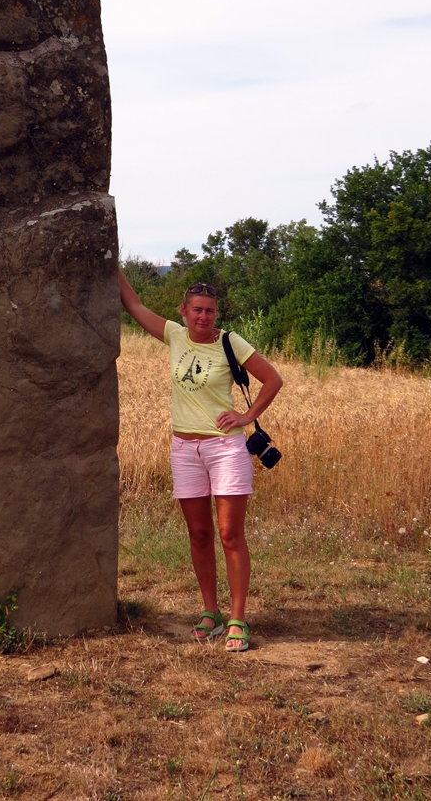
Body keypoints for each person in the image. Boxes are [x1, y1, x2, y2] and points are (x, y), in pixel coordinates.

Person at [118, 274, 283, 652]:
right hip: (184, 450)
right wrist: (115, 267)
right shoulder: (174, 335)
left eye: (209, 311)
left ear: (215, 313)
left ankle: (237, 619)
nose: (203, 317)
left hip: (225, 449)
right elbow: (136, 306)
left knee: (229, 535)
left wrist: (247, 415)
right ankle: (210, 613)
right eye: (196, 310)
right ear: (184, 311)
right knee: (199, 535)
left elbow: (273, 379)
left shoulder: (230, 342)